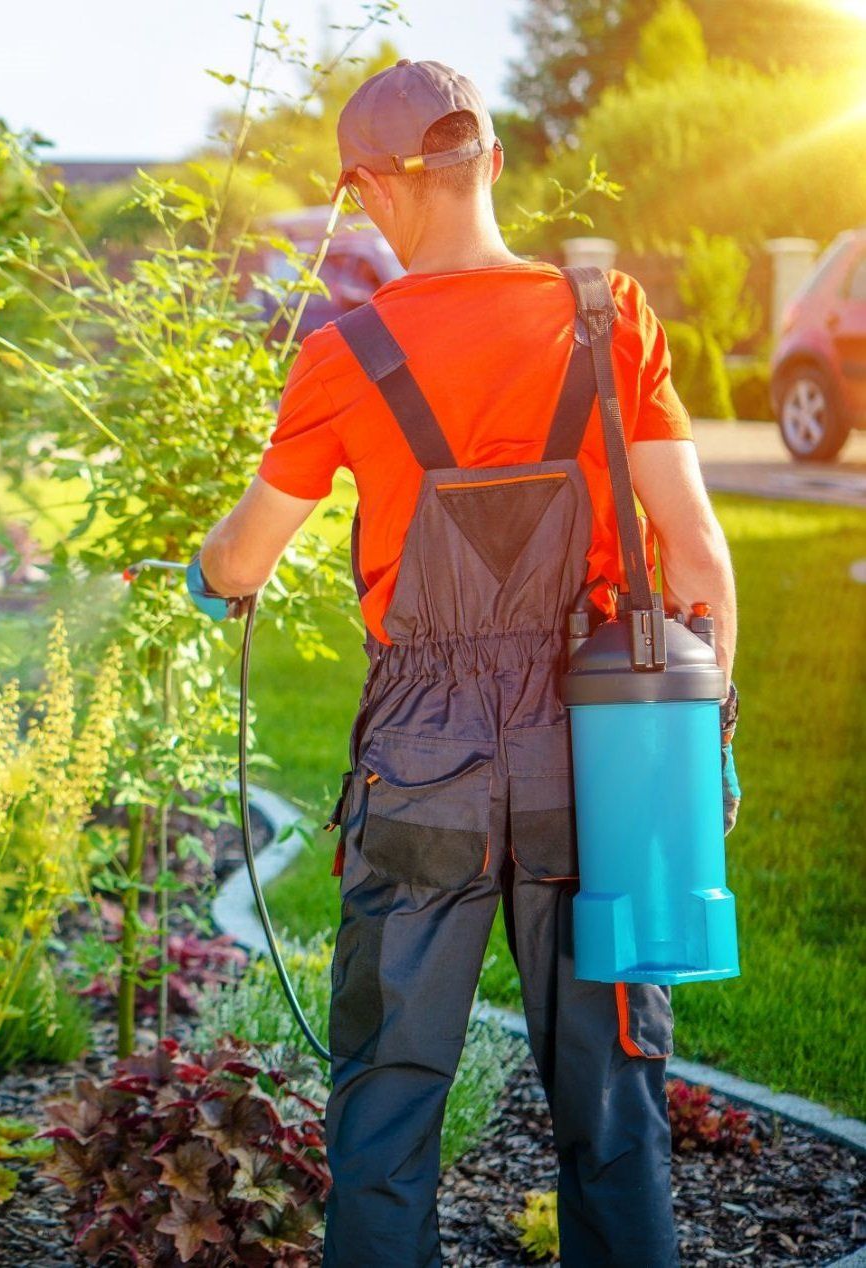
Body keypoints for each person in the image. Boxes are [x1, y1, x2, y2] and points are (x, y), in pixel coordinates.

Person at [188, 60, 739, 1268]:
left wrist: (208, 574)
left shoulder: (345, 353)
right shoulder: (610, 317)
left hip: (421, 763)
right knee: (612, 1108)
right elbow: (696, 554)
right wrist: (703, 748)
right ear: (492, 162)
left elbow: (244, 556)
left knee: (384, 1113)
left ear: (369, 192)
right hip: (592, 758)